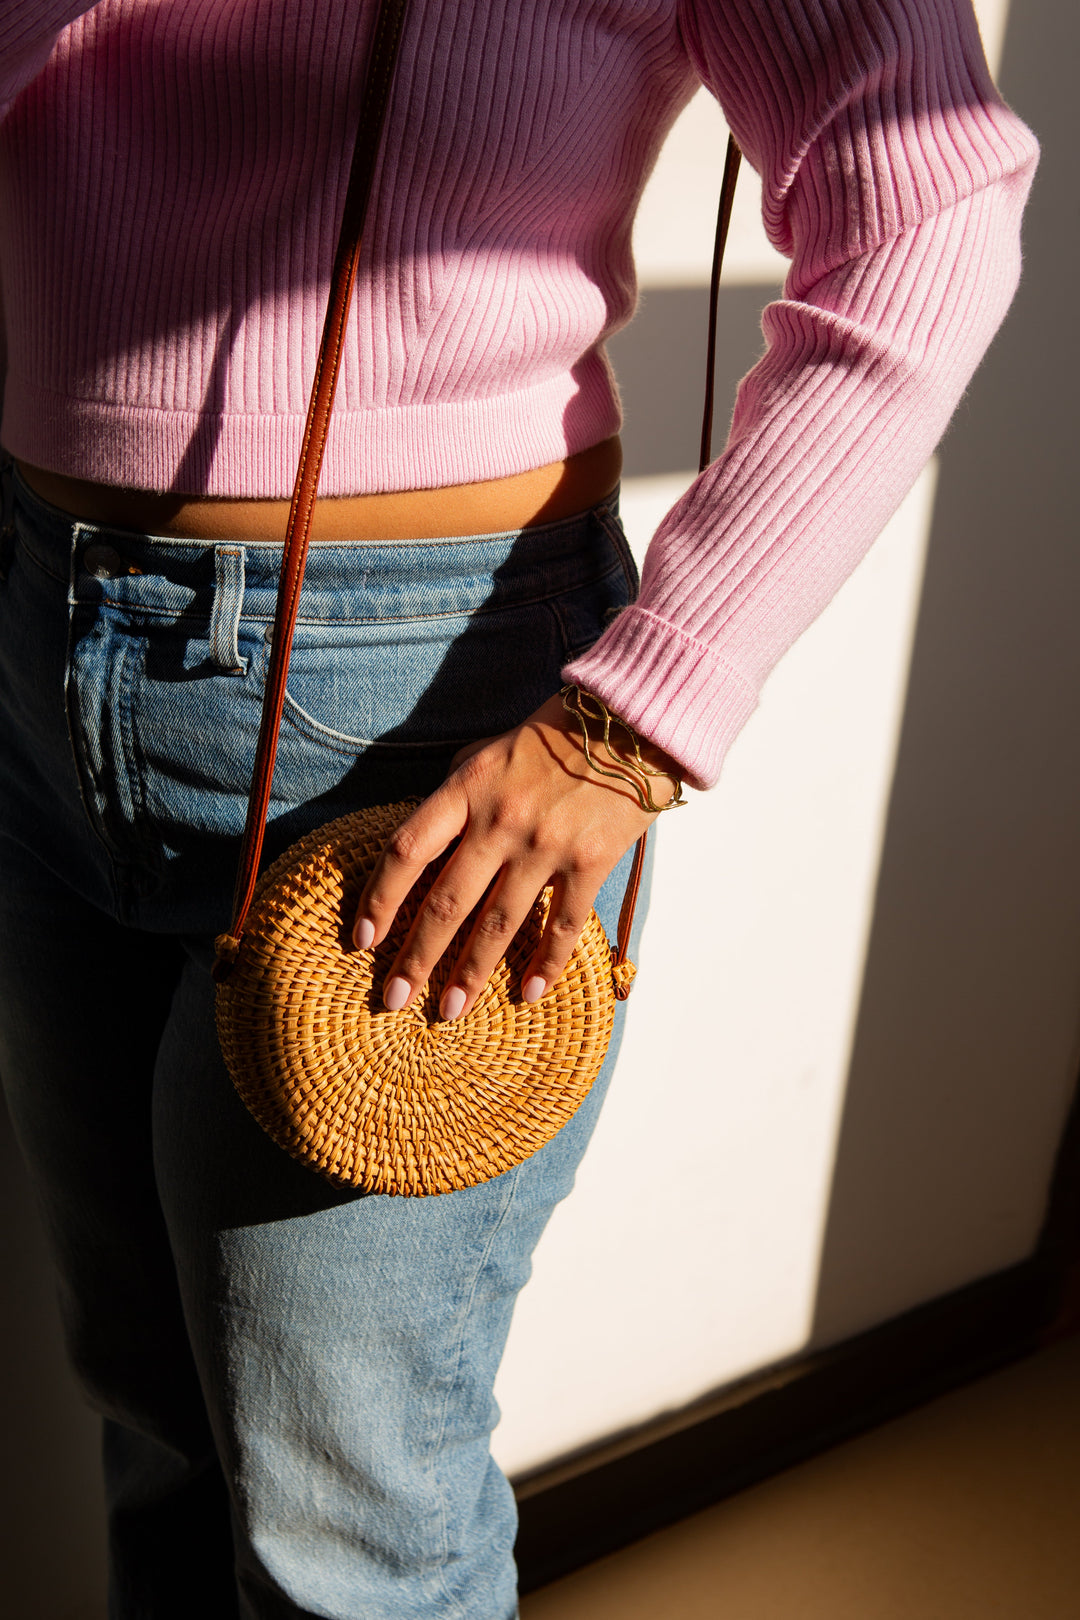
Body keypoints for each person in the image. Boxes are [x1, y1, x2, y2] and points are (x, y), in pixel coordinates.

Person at [0, 1, 1037, 1615]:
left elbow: (931, 211)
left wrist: (634, 726)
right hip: (36, 628)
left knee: (343, 1528)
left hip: (410, 702)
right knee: (153, 1412)